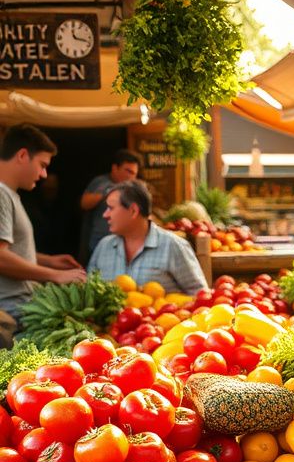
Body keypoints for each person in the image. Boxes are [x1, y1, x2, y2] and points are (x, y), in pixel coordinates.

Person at [0, 124, 86, 330]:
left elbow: (10, 251)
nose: (44, 174)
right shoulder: (1, 194)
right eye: (42, 164)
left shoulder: (10, 194)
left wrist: (49, 261)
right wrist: (55, 275)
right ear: (22, 155)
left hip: (21, 306)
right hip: (11, 311)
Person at [88, 180, 207, 295]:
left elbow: (200, 295)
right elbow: (90, 293)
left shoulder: (173, 246)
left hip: (165, 316)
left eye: (111, 208)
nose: (105, 214)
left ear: (133, 211)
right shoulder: (103, 247)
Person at [80, 149, 141, 258]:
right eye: (128, 171)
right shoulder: (100, 182)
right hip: (98, 244)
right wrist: (108, 192)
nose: (131, 176)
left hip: (122, 245)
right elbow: (84, 203)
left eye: (134, 173)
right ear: (115, 168)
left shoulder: (132, 189)